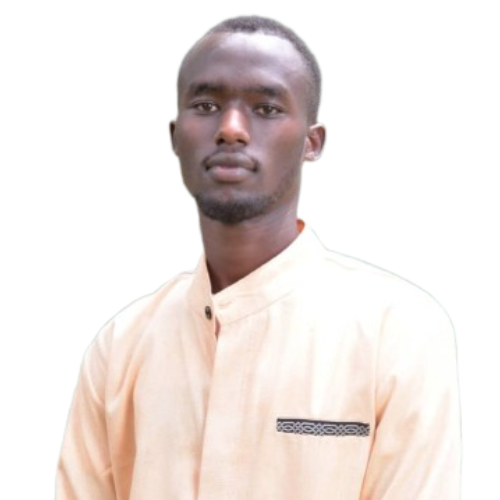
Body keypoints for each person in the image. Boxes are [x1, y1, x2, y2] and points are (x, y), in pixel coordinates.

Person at [56, 15, 461, 500]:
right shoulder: (121, 347)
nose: (230, 128)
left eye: (266, 108)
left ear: (312, 142)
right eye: (206, 105)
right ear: (176, 136)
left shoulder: (398, 334)